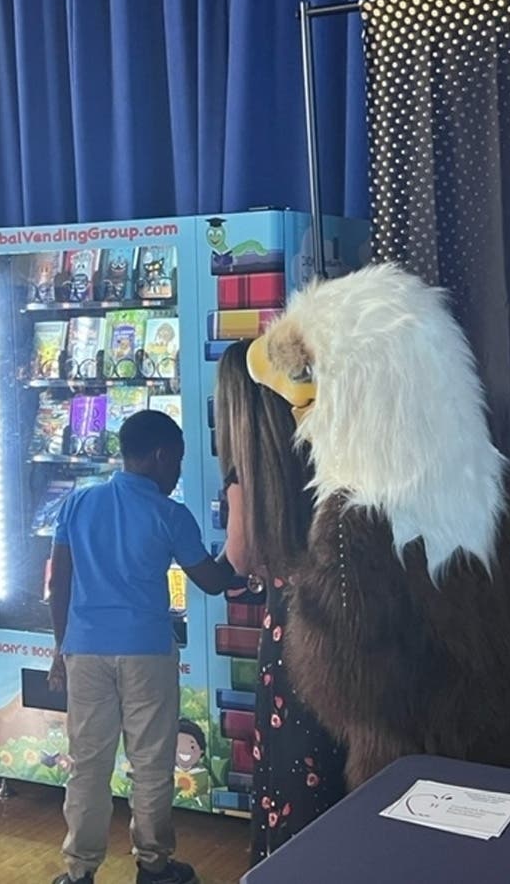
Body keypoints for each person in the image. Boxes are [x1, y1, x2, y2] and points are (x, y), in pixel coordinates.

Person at [46, 409, 237, 884]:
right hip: (147, 652)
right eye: (177, 461)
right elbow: (212, 581)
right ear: (161, 454)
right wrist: (241, 545)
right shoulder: (169, 514)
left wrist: (60, 648)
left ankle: (78, 871)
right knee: (150, 763)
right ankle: (153, 865)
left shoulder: (77, 504)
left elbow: (60, 582)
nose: (176, 472)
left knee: (87, 765)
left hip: (85, 650)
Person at [212, 340, 347, 867]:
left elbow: (240, 556)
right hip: (336, 620)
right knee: (334, 766)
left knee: (291, 776)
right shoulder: (320, 445)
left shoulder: (246, 472)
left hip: (289, 634)